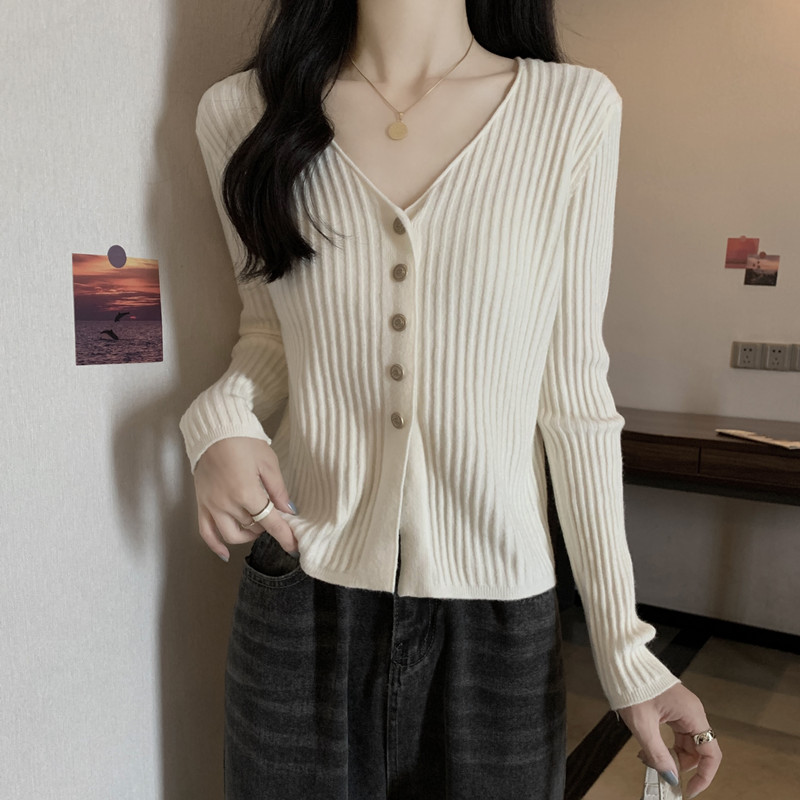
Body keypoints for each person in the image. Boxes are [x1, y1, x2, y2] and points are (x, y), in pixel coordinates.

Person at [179, 2, 722, 798]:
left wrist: (624, 649)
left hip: (498, 618)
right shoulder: (241, 112)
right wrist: (216, 420)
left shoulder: (570, 111)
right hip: (302, 594)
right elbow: (269, 334)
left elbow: (574, 397)